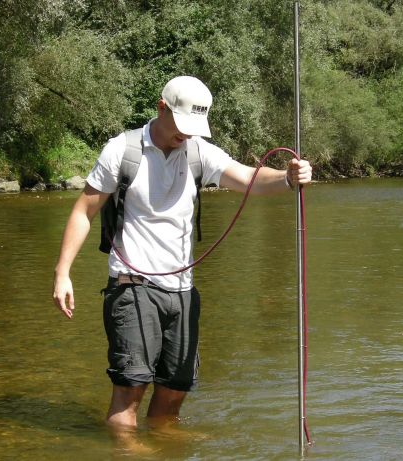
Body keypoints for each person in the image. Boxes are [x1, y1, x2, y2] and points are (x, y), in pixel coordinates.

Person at [52, 76, 312, 441]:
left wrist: (287, 178)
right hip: (133, 286)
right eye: (181, 125)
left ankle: (162, 446)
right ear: (161, 107)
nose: (186, 135)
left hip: (183, 292)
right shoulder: (122, 151)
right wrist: (63, 272)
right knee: (130, 390)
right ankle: (129, 451)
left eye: (194, 128)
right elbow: (84, 211)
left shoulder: (198, 152)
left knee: (175, 393)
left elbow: (249, 179)